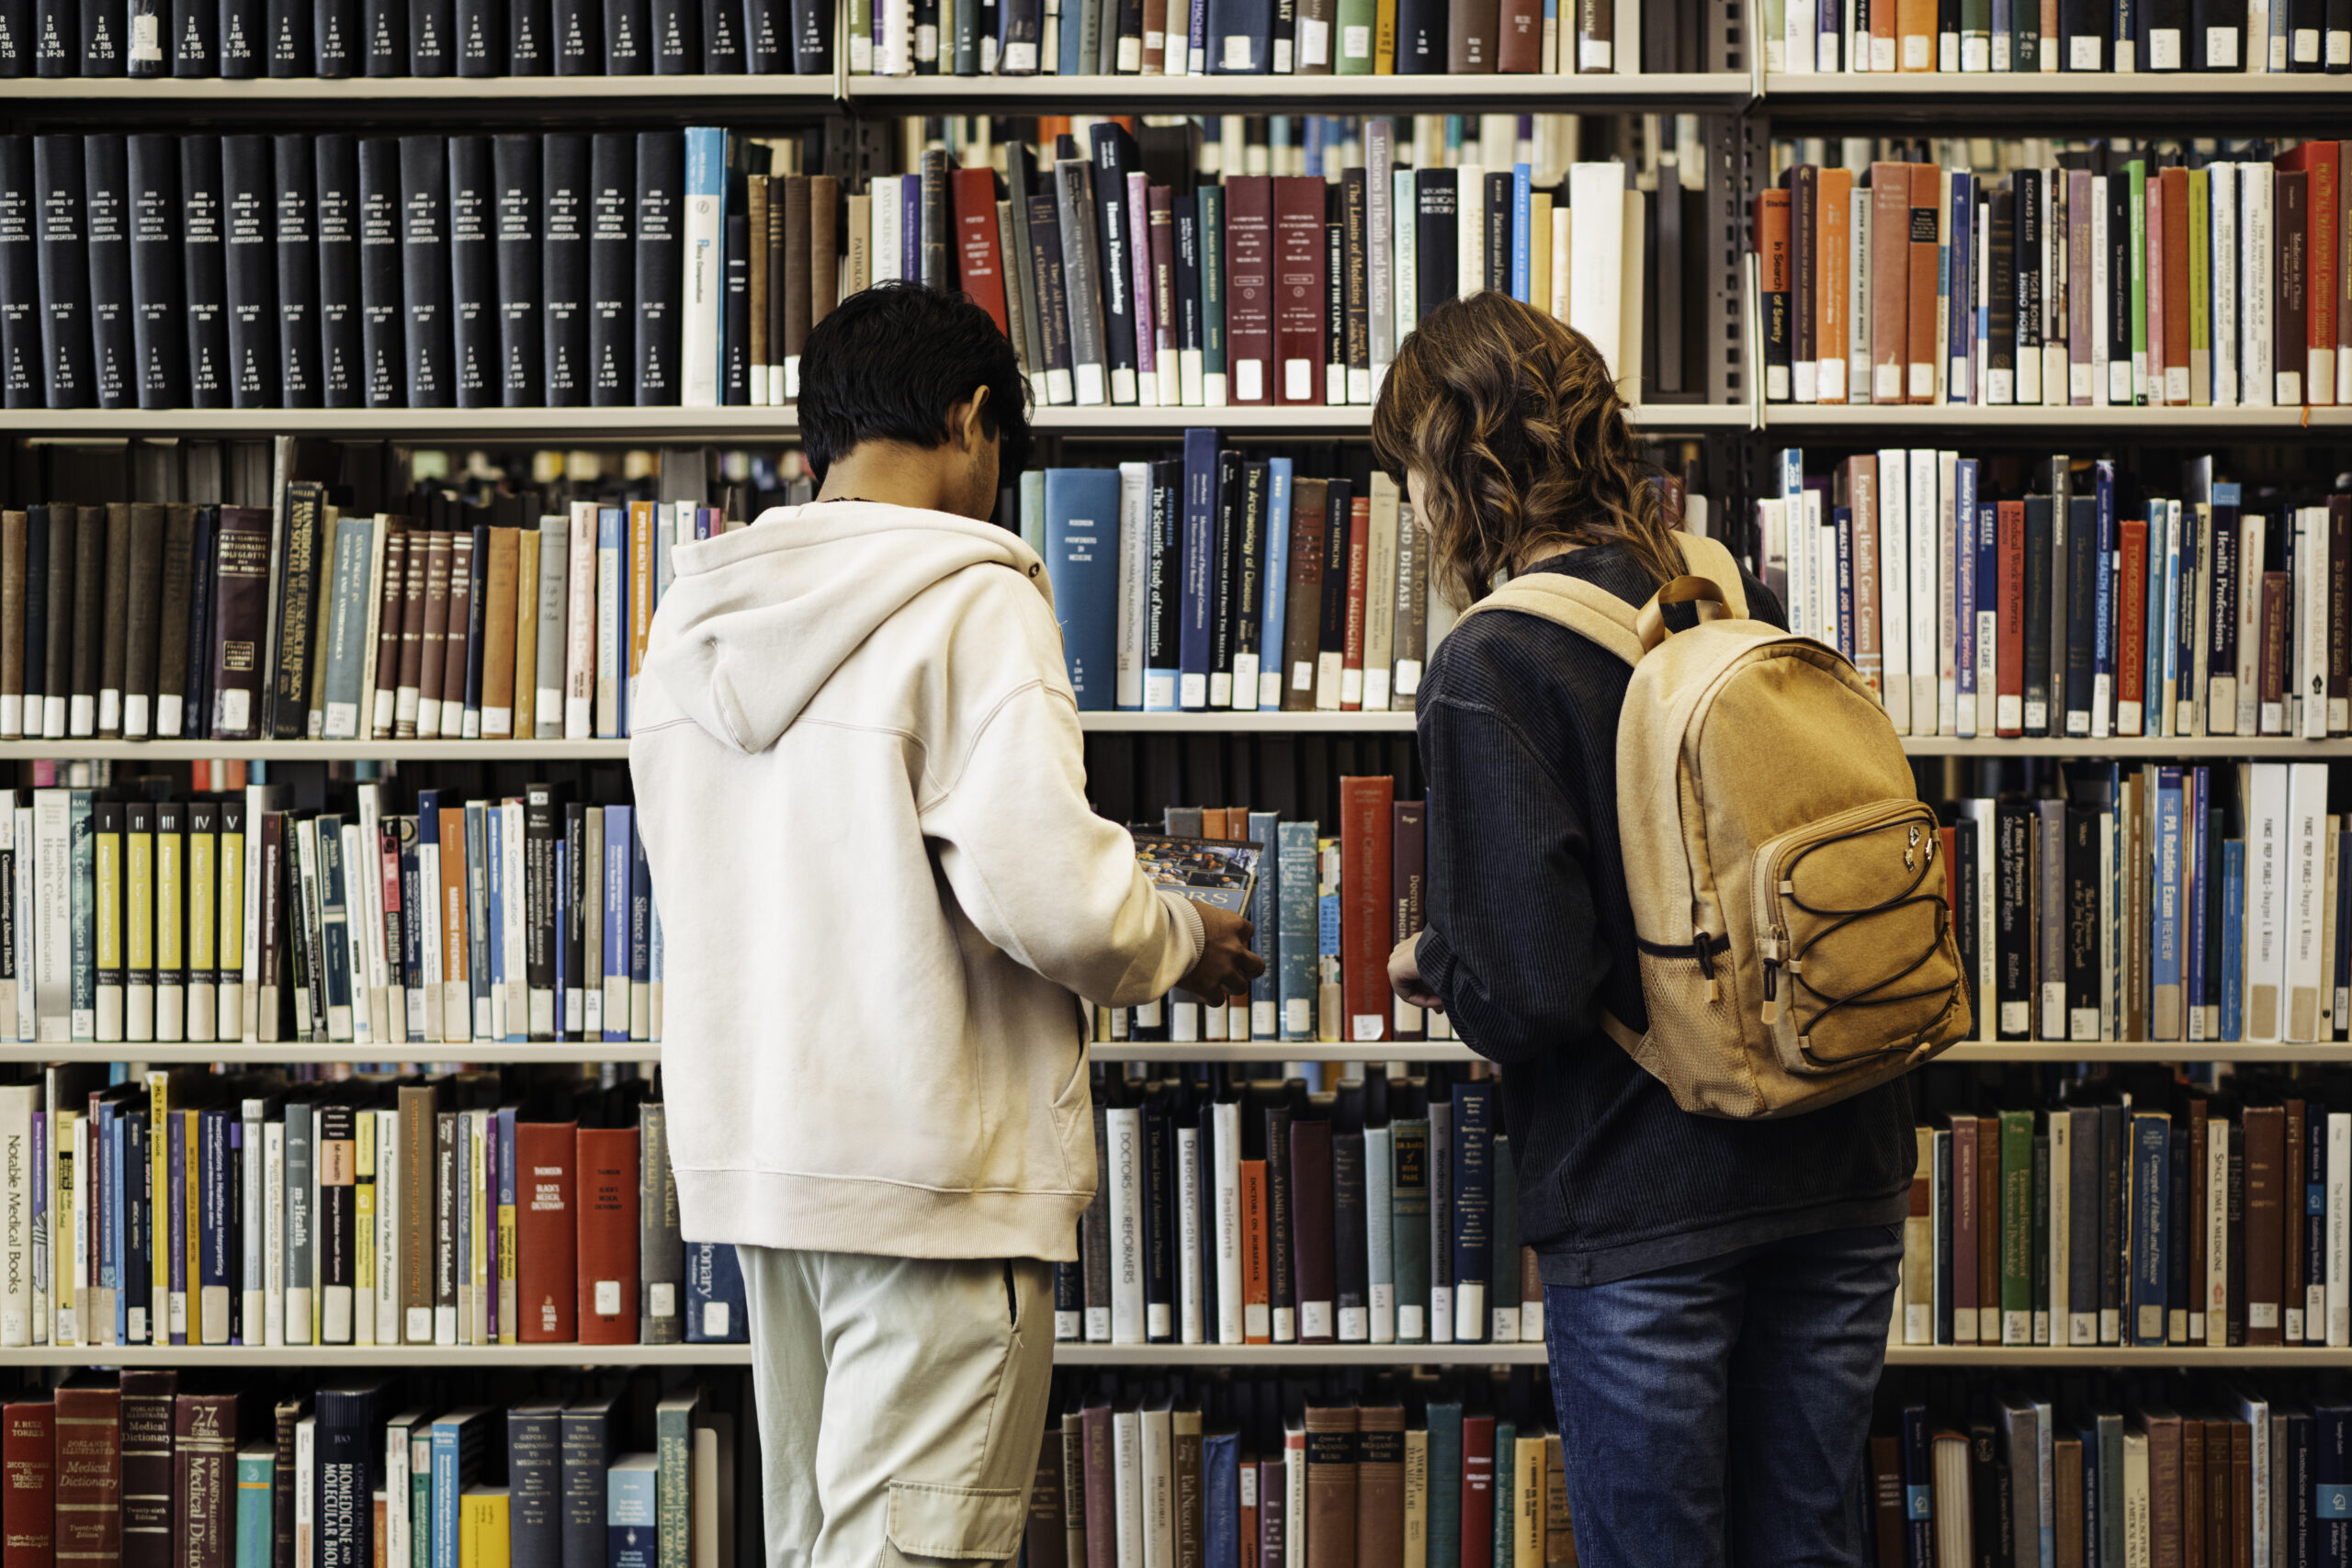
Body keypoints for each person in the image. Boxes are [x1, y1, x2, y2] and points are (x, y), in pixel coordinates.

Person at [630, 282, 1263, 1568]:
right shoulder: (973, 600)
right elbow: (1055, 901)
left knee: (823, 1549)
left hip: (772, 1171)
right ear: (972, 419)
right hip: (936, 1180)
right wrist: (1182, 937)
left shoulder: (689, 623)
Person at [1374, 292, 1916, 1568]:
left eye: (1406, 473)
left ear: (1458, 470)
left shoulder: (1492, 661)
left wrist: (1433, 958)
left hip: (1647, 1196)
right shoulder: (1720, 586)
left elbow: (1531, 988)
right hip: (1839, 1151)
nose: (1408, 508)